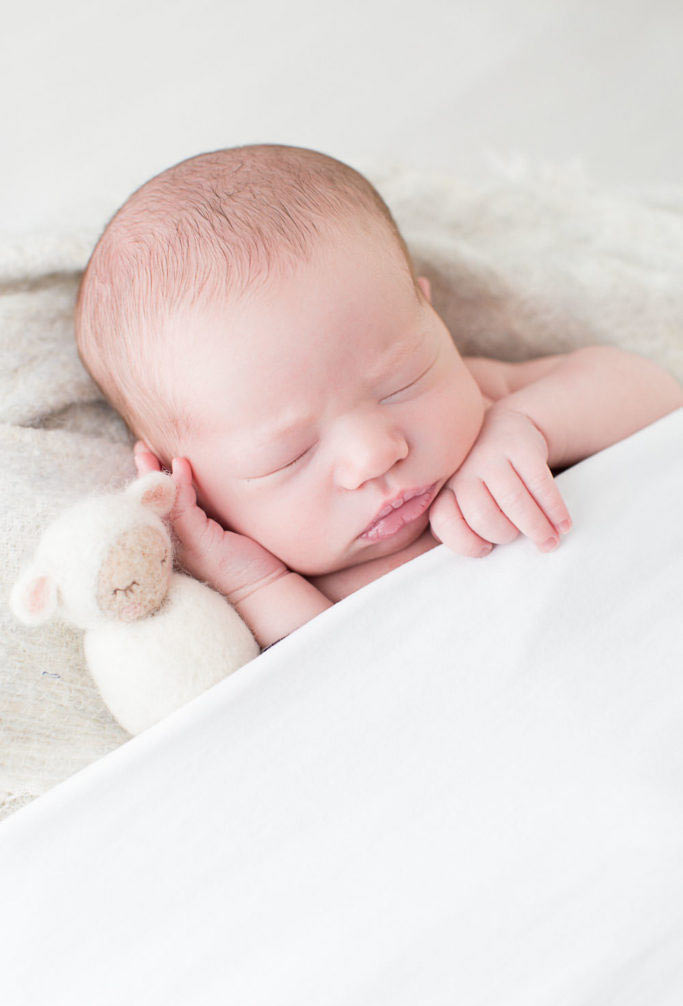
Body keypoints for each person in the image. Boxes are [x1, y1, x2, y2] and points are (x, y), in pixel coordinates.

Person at [74, 144, 683, 650]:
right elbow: (333, 688)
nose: (374, 454)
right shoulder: (295, 591)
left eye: (402, 380)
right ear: (193, 488)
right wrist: (246, 584)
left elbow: (657, 396)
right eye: (290, 454)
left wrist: (530, 425)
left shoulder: (492, 404)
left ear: (431, 315)